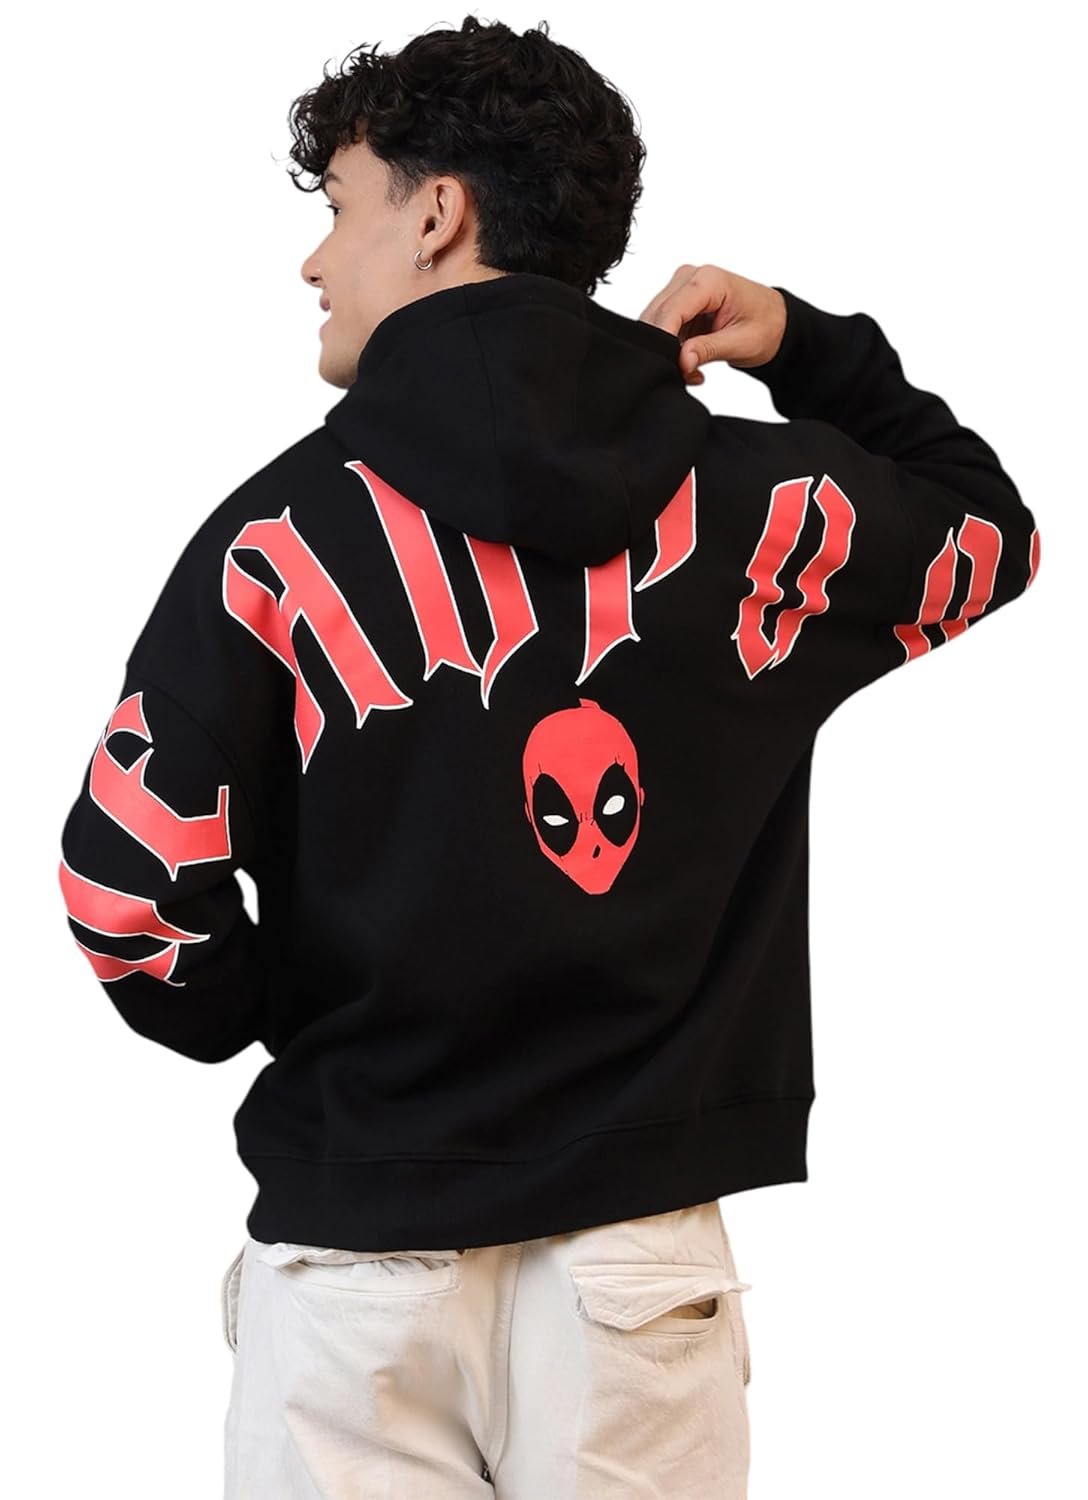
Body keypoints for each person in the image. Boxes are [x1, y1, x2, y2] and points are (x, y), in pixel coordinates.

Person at [55, 16, 1040, 1499]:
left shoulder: (279, 539)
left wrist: (290, 1022)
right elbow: (987, 533)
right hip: (635, 1263)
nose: (314, 262)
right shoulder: (763, 512)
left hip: (357, 1259)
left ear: (436, 215)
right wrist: (805, 342)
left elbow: (129, 887)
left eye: (339, 209)